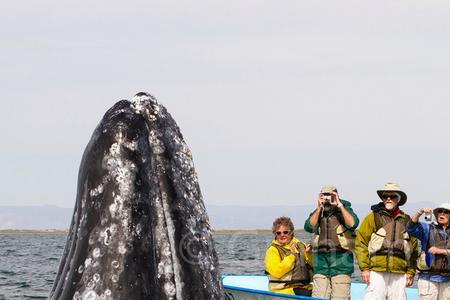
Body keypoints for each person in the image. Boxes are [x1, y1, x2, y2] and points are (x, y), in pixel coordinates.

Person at [355, 182, 419, 300]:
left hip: (399, 272)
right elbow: (360, 243)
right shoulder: (372, 217)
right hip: (376, 271)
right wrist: (365, 269)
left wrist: (410, 272)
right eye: (385, 196)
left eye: (393, 196)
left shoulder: (407, 220)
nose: (388, 199)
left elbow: (414, 249)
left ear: (399, 199)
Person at [304, 185, 359, 300]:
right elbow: (309, 227)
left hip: (341, 264)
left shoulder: (345, 208)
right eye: (324, 195)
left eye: (330, 195)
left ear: (337, 196)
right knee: (319, 297)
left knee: (340, 297)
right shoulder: (319, 211)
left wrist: (339, 205)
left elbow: (353, 224)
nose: (327, 199)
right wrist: (319, 208)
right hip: (321, 264)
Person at [407, 203, 450, 300]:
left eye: (446, 212)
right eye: (440, 211)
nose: (442, 214)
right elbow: (410, 228)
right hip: (428, 278)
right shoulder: (427, 228)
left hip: (448, 280)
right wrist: (419, 212)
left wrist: (442, 251)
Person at [264, 216, 313, 296]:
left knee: (322, 293)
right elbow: (276, 272)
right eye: (278, 233)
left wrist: (309, 254)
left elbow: (314, 266)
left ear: (291, 232)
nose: (282, 235)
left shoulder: (301, 245)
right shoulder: (272, 250)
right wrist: (292, 256)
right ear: (275, 234)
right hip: (283, 290)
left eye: (285, 232)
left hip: (305, 287)